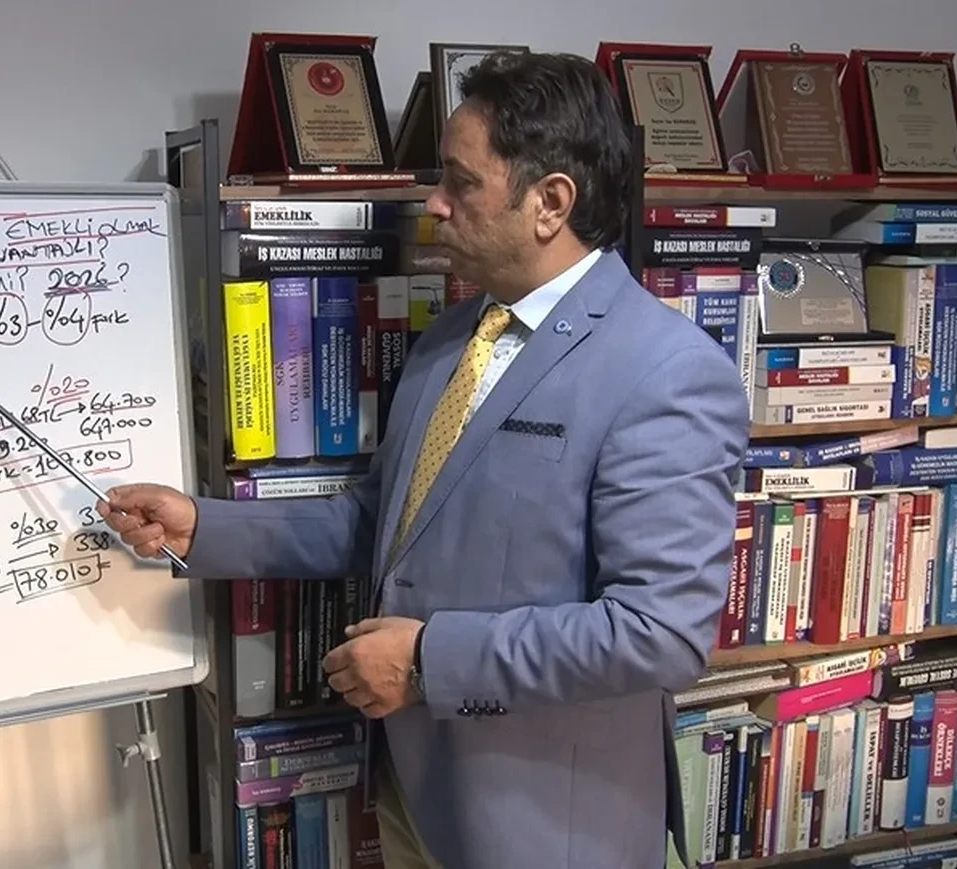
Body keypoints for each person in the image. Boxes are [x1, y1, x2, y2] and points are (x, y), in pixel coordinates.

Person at [100, 50, 750, 869]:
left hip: (545, 827)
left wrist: (424, 661)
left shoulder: (666, 372)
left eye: (461, 182)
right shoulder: (452, 340)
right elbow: (383, 522)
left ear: (550, 203)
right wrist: (202, 527)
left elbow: (659, 633)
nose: (435, 204)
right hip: (416, 793)